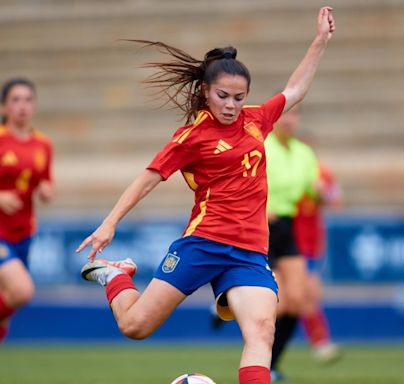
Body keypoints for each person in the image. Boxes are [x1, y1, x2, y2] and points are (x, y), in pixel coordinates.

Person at [76, 7, 335, 384]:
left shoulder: (256, 119)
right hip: (204, 243)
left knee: (262, 330)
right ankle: (116, 276)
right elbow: (148, 178)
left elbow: (295, 90)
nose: (231, 105)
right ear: (206, 92)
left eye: (238, 97)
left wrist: (319, 41)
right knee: (135, 326)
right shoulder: (191, 137)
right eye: (223, 96)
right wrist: (109, 224)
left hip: (249, 253)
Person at [264, 105, 319, 381]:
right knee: (279, 304)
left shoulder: (304, 153)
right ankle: (262, 365)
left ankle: (272, 365)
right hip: (261, 228)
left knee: (297, 302)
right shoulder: (262, 146)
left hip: (287, 227)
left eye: (294, 114)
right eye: (284, 114)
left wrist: (322, 193)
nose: (289, 119)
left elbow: (314, 192)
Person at [0, 78, 54, 343]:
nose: (22, 106)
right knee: (21, 291)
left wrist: (46, 189)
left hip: (23, 233)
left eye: (28, 100)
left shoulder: (42, 144)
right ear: (4, 106)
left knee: (6, 308)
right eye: (16, 100)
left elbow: (46, 181)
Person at [293, 163, 343, 363]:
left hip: (310, 245)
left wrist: (322, 193)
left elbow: (336, 201)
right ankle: (320, 342)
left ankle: (320, 342)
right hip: (288, 243)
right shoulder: (281, 170)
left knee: (306, 295)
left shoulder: (322, 172)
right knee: (307, 294)